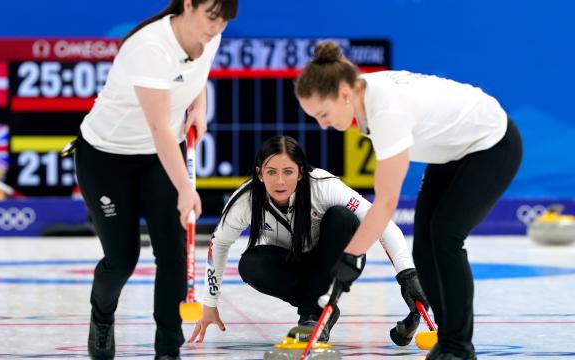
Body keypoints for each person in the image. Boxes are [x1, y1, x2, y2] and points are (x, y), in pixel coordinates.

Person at [295, 42, 523, 360]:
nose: (322, 125)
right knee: (424, 246)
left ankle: (459, 348)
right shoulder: (362, 96)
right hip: (453, 151)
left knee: (445, 236)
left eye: (323, 114)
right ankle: (448, 341)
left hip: (492, 144)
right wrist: (351, 258)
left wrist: (349, 259)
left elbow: (387, 202)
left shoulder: (386, 110)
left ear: (344, 94)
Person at [73, 1, 238, 359]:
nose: (217, 26)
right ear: (189, 4)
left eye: (225, 19)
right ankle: (102, 319)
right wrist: (185, 188)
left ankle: (168, 350)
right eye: (212, 16)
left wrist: (199, 105)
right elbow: (159, 126)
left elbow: (197, 72)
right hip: (106, 157)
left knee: (174, 255)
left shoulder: (210, 35)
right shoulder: (149, 46)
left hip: (158, 157)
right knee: (122, 259)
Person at [187, 135, 427, 344]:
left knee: (344, 218)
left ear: (301, 172)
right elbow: (218, 244)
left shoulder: (323, 185)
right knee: (250, 265)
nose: (279, 181)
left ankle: (313, 315)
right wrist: (210, 303)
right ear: (260, 175)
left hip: (334, 261)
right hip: (293, 265)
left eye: (288, 172)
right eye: (271, 172)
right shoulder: (245, 200)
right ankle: (320, 311)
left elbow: (380, 220)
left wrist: (408, 276)